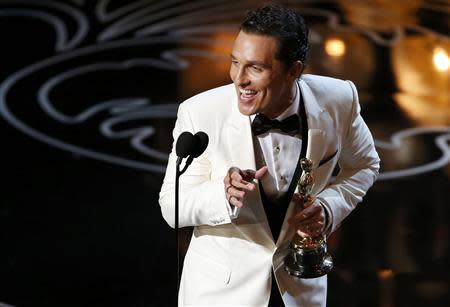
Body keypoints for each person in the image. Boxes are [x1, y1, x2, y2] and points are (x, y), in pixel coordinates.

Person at [159, 4, 380, 307]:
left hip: (301, 291)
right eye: (235, 62)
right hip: (222, 295)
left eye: (255, 68)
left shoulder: (339, 99)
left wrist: (329, 208)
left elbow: (365, 165)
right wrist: (223, 195)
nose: (239, 79)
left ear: (294, 70)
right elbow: (172, 206)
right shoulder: (200, 113)